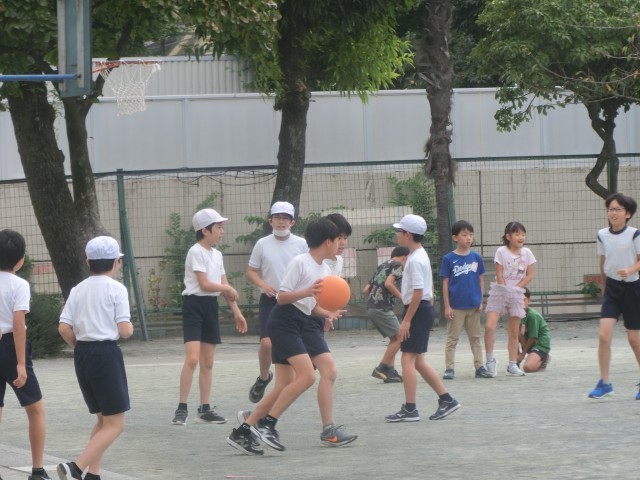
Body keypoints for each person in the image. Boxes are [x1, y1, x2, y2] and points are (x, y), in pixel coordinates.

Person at [226, 218, 347, 455]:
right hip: (283, 323)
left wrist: (327, 313)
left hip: (297, 322)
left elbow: (310, 306)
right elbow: (282, 297)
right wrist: (306, 291)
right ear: (327, 242)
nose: (341, 244)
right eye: (338, 240)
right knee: (307, 376)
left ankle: (242, 432)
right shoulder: (300, 262)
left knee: (284, 384)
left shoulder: (324, 270)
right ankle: (268, 424)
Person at [57, 236, 134, 480]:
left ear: (88, 261)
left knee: (103, 421)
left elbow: (63, 327)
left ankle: (94, 474)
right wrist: (129, 328)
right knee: (116, 424)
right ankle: (75, 468)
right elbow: (125, 330)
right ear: (116, 262)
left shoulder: (77, 289)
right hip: (106, 355)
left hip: (82, 355)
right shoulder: (117, 289)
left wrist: (79, 345)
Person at [172, 209, 248, 425]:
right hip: (193, 306)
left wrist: (237, 313)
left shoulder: (217, 255)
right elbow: (205, 284)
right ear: (205, 231)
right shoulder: (195, 252)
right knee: (192, 359)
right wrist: (227, 287)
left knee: (208, 361)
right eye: (218, 227)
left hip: (210, 307)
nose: (222, 231)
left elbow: (224, 287)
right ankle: (181, 408)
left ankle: (205, 409)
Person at [385, 215, 461, 422]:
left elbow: (418, 292)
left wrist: (407, 320)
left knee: (407, 359)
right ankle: (447, 399)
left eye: (399, 231)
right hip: (421, 309)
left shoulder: (415, 259)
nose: (397, 234)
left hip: (418, 310)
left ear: (408, 235)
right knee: (418, 361)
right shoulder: (418, 255)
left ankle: (410, 409)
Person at [0, 229, 50, 480]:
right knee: (35, 409)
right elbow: (19, 325)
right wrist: (20, 363)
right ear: (20, 261)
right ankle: (37, 470)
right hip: (12, 347)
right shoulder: (19, 285)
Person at [246, 202, 307, 403]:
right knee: (266, 343)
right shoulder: (262, 244)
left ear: (292, 222)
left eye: (285, 218)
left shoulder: (301, 244)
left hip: (294, 300)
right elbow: (251, 271)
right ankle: (264, 378)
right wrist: (263, 285)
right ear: (270, 220)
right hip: (270, 299)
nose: (281, 222)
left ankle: (290, 380)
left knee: (292, 341)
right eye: (277, 218)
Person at [588, 193, 640, 399]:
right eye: (610, 209)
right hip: (611, 289)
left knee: (634, 340)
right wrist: (604, 286)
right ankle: (605, 383)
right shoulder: (602, 234)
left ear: (628, 214)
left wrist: (631, 269)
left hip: (632, 289)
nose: (613, 213)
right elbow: (603, 261)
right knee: (604, 336)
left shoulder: (635, 234)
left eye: (618, 209)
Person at [439, 220, 492, 380]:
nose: (468, 238)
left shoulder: (476, 257)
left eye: (470, 234)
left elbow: (481, 279)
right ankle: (449, 368)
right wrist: (447, 306)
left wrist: (480, 300)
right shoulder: (449, 259)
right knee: (452, 338)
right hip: (456, 306)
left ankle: (479, 367)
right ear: (455, 237)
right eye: (464, 235)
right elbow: (445, 283)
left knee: (475, 338)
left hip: (473, 306)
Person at [484, 221, 536, 377]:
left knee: (514, 331)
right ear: (508, 236)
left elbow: (529, 275)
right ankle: (490, 361)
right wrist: (505, 289)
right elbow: (499, 274)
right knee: (489, 326)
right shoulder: (501, 251)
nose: (521, 237)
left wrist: (516, 288)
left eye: (523, 234)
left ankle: (512, 364)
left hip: (517, 294)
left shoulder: (527, 253)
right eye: (517, 234)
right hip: (499, 292)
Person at [364, 246, 409, 383]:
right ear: (405, 257)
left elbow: (366, 289)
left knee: (394, 339)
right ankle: (382, 368)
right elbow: (389, 284)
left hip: (372, 307)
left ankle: (390, 371)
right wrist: (403, 297)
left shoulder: (382, 266)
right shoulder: (398, 265)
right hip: (382, 308)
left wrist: (375, 298)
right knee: (400, 337)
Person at [517, 288, 551, 373]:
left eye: (524, 300)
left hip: (539, 344)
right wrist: (516, 355)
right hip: (528, 341)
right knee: (515, 332)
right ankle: (515, 364)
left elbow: (533, 337)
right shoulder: (515, 315)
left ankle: (544, 358)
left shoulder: (532, 315)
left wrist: (523, 354)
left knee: (527, 368)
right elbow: (514, 337)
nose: (521, 303)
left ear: (529, 301)